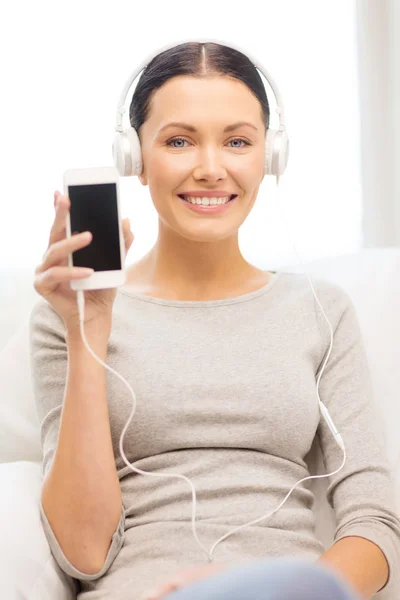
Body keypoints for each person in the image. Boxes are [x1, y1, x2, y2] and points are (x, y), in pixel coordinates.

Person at [30, 41, 399, 600]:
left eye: (237, 142)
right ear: (136, 160)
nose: (210, 168)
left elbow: (376, 524)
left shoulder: (319, 310)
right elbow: (83, 551)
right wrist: (90, 330)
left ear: (269, 157)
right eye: (178, 141)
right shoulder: (70, 313)